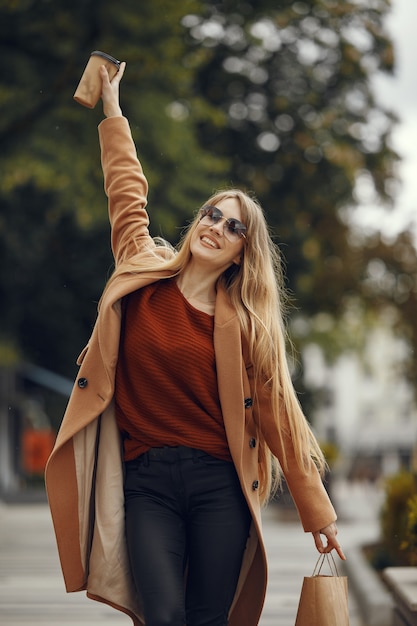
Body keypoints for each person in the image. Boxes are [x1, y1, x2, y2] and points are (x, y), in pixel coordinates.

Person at [45, 62, 345, 626]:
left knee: (209, 618)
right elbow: (126, 193)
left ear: (242, 253)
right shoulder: (142, 269)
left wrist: (318, 515)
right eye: (213, 214)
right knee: (160, 615)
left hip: (219, 487)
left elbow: (280, 414)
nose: (217, 227)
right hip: (147, 481)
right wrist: (113, 112)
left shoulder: (245, 324)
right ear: (197, 221)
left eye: (235, 228)